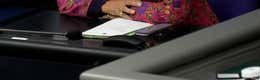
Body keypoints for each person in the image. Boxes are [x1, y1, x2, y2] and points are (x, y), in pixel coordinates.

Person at [57, 0, 218, 27]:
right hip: (135, 39)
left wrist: (123, 8)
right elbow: (66, 2)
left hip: (193, 39)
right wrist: (104, 5)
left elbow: (172, 12)